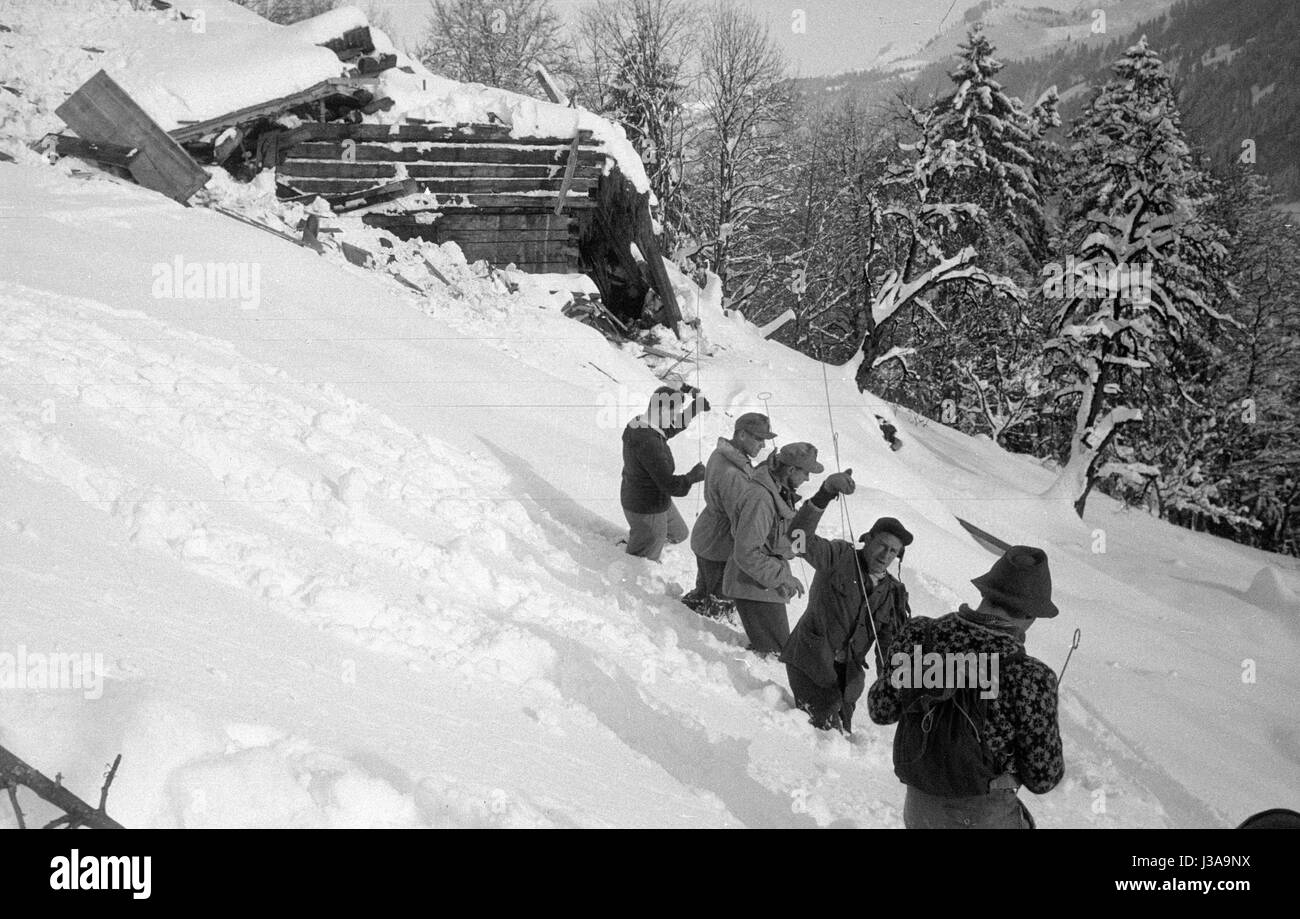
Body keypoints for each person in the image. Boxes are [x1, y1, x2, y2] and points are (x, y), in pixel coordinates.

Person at [867, 545, 1065, 829]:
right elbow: (1043, 778)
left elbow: (881, 709)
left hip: (920, 811)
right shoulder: (1030, 676)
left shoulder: (920, 635)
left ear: (985, 593)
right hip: (984, 814)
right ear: (1031, 615)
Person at [782, 472, 913, 733]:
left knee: (841, 733)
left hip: (847, 682)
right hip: (809, 661)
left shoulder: (893, 593)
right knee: (821, 732)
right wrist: (826, 492)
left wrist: (899, 689)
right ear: (868, 539)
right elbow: (797, 539)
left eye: (893, 552)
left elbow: (889, 648)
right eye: (882, 545)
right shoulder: (839, 557)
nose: (885, 555)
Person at [723, 442, 823, 654]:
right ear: (791, 470)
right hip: (752, 585)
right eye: (805, 472)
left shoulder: (778, 492)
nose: (807, 479)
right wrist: (782, 577)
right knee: (775, 653)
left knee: (777, 650)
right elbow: (746, 552)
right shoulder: (761, 498)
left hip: (760, 582)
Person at [681, 413, 777, 616]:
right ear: (742, 435)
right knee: (719, 601)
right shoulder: (732, 472)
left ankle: (685, 614)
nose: (762, 446)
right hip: (719, 544)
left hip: (709, 536)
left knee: (705, 591)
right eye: (758, 439)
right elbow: (743, 514)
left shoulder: (726, 455)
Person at [620, 384, 709, 562]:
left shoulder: (640, 423)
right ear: (661, 410)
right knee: (642, 561)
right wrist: (693, 476)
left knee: (679, 533)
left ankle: (646, 539)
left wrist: (694, 409)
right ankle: (643, 548)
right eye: (674, 412)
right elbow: (671, 486)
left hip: (652, 499)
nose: (676, 417)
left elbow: (667, 430)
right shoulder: (648, 441)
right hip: (645, 507)